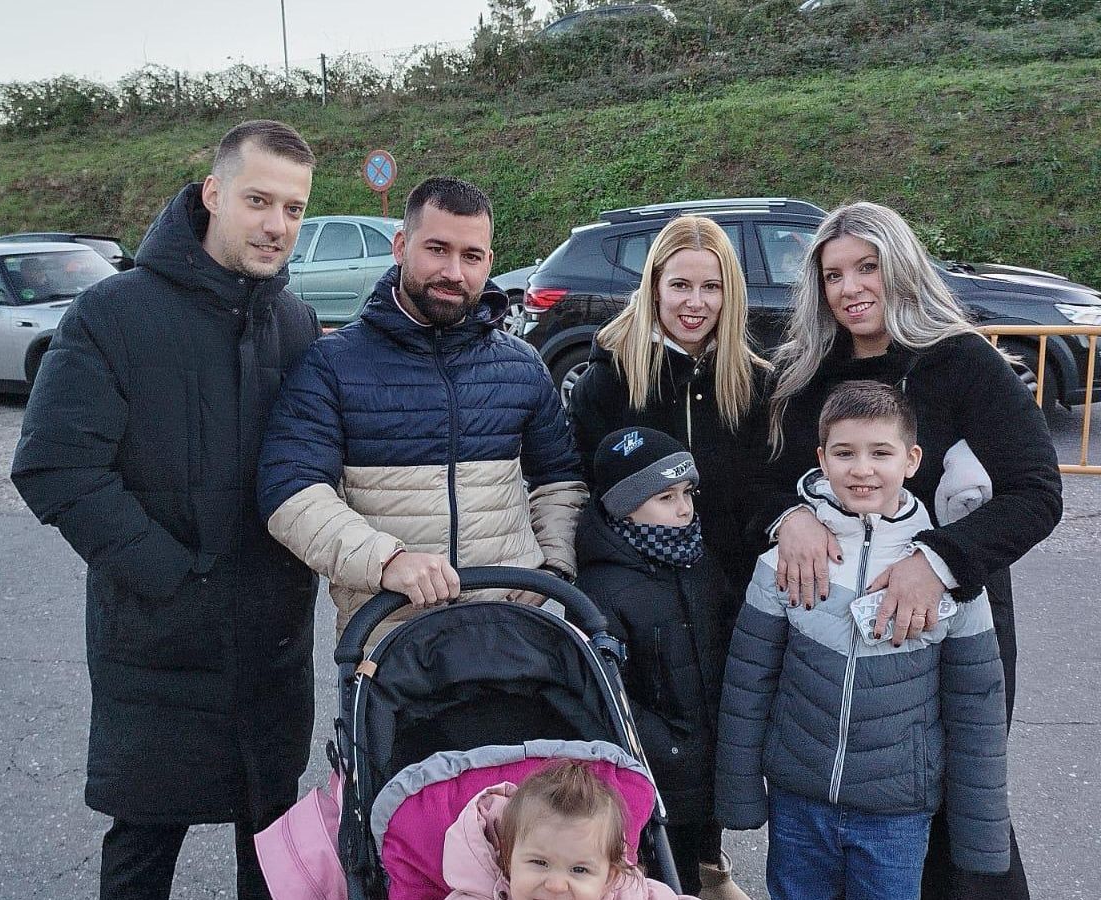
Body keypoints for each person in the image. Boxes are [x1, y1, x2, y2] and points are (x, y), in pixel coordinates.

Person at [10, 120, 321, 900]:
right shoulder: (109, 314)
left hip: (273, 642)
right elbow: (56, 467)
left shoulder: (296, 320)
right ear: (213, 194)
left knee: (273, 841)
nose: (276, 224)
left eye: (293, 208)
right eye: (258, 200)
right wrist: (173, 579)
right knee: (146, 836)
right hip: (159, 638)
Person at [747, 201, 1061, 899]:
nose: (852, 287)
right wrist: (786, 518)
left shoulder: (964, 363)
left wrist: (936, 563)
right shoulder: (801, 374)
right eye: (834, 275)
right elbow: (757, 485)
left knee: (957, 811)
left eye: (868, 268)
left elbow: (1036, 493)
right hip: (826, 647)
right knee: (832, 828)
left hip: (947, 633)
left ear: (903, 268)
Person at [258, 176, 586, 642]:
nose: (454, 272)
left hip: (509, 634)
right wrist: (387, 561)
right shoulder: (332, 365)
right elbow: (291, 493)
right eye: (437, 249)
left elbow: (559, 477)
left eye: (471, 256)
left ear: (489, 262)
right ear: (400, 246)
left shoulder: (521, 365)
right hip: (389, 642)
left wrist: (551, 565)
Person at [717, 381, 1011, 900]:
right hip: (799, 802)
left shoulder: (950, 572)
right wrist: (739, 794)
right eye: (844, 453)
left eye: (881, 453)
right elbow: (748, 683)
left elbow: (977, 709)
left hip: (897, 813)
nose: (861, 469)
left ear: (912, 459)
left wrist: (980, 835)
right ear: (821, 459)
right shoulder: (782, 562)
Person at [571, 427, 748, 900]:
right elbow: (605, 689)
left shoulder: (698, 558)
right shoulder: (601, 589)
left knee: (705, 832)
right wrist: (662, 745)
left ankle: (713, 877)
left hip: (706, 740)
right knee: (665, 860)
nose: (684, 508)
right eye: (665, 497)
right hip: (659, 757)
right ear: (624, 506)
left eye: (687, 492)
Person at [566, 215, 774, 601]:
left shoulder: (756, 381)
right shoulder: (607, 379)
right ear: (656, 288)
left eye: (711, 287)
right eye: (680, 285)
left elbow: (766, 485)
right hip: (641, 595)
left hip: (737, 588)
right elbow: (586, 492)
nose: (696, 303)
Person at [442, 760, 696, 900]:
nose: (555, 885)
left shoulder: (627, 894)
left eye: (579, 869)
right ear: (508, 860)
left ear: (608, 877)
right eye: (539, 862)